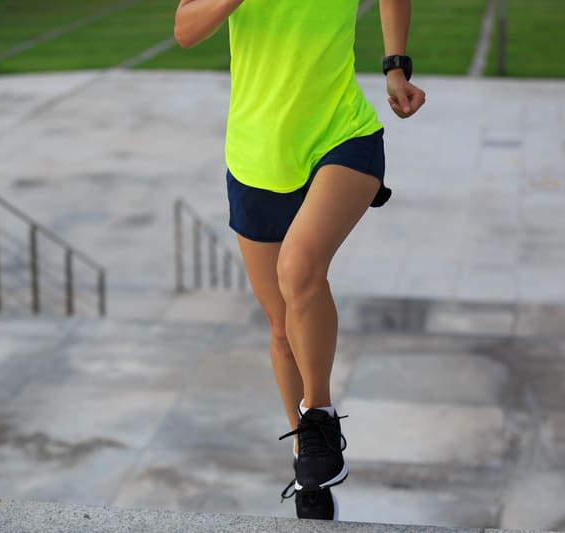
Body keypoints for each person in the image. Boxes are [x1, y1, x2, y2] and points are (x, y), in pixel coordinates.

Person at [175, 0, 425, 521]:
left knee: (299, 267)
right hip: (255, 156)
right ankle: (306, 459)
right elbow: (184, 29)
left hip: (342, 134)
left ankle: (319, 416)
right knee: (282, 329)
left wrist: (395, 65)